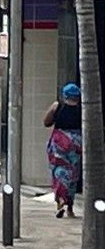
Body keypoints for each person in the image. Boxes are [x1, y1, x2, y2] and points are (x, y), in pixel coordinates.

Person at [43, 82, 82, 218]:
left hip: (59, 144)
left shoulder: (58, 107)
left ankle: (60, 201)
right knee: (73, 174)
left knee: (58, 172)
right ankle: (70, 207)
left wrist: (53, 108)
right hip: (76, 144)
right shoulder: (82, 110)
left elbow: (46, 122)